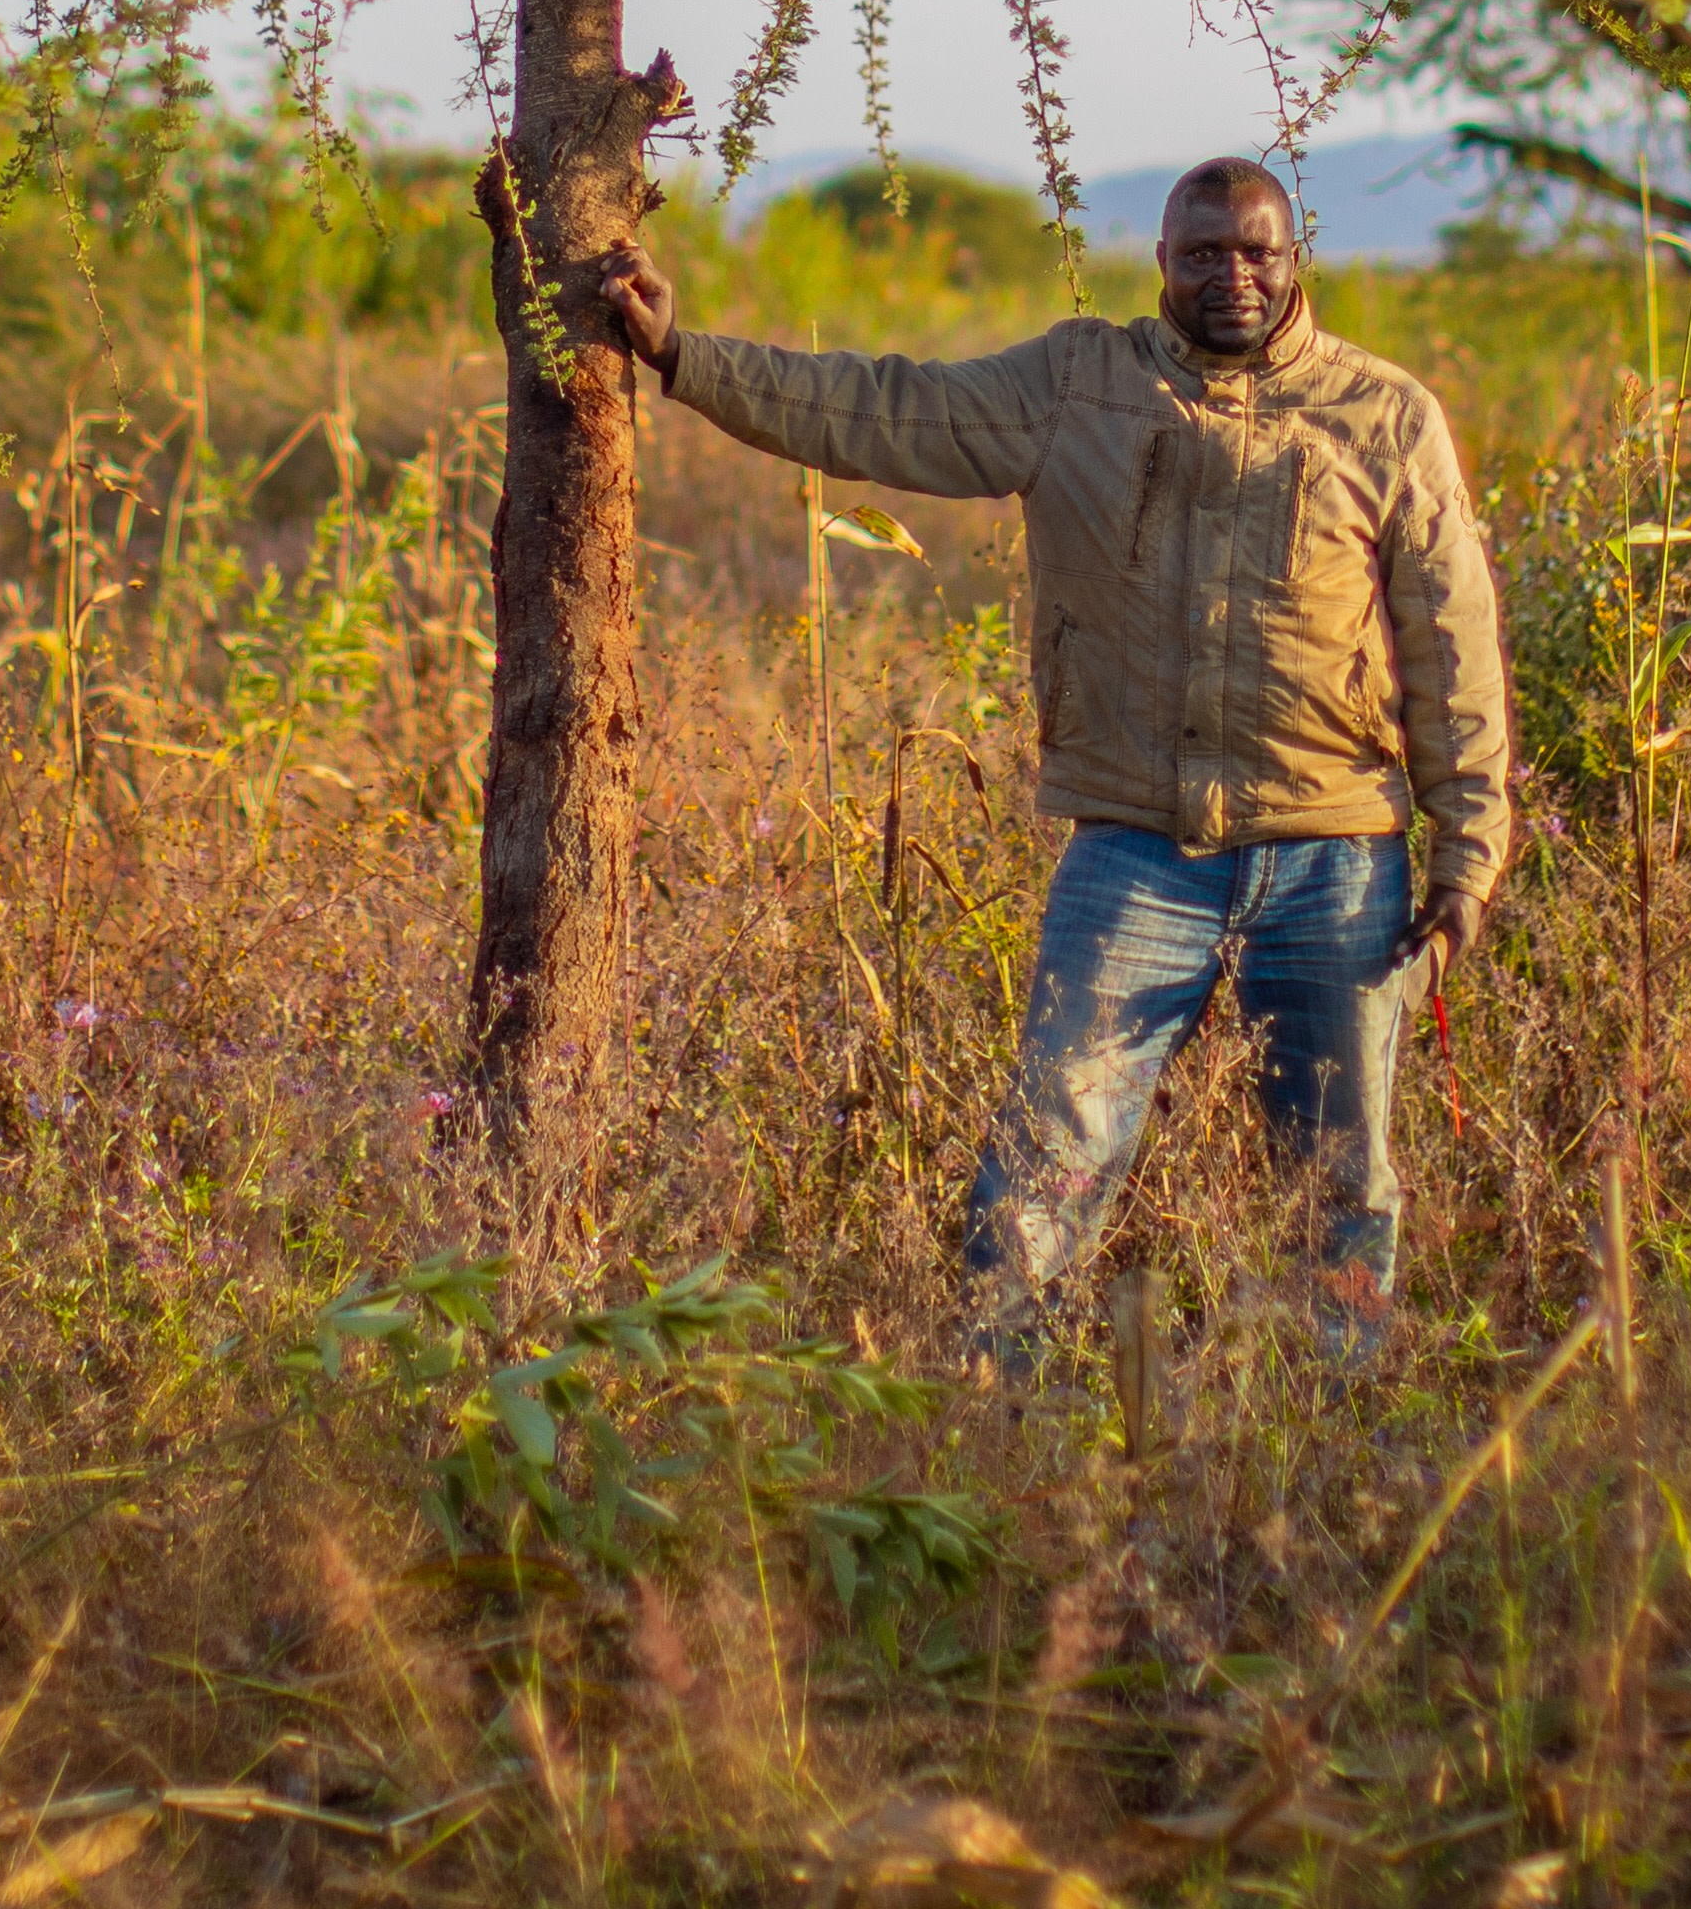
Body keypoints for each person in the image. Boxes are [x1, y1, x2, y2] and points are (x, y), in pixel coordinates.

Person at [583, 158, 1516, 1348]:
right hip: (1136, 850)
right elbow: (886, 408)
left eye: (1258, 251)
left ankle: (1329, 1444)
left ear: (1297, 260)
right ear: (1162, 260)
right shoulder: (1082, 382)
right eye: (1203, 252)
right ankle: (1006, 1420)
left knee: (1340, 1183)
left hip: (1337, 854)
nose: (1232, 273)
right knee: (1043, 1163)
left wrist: (1466, 862)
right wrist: (683, 358)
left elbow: (1454, 644)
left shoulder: (1384, 414)